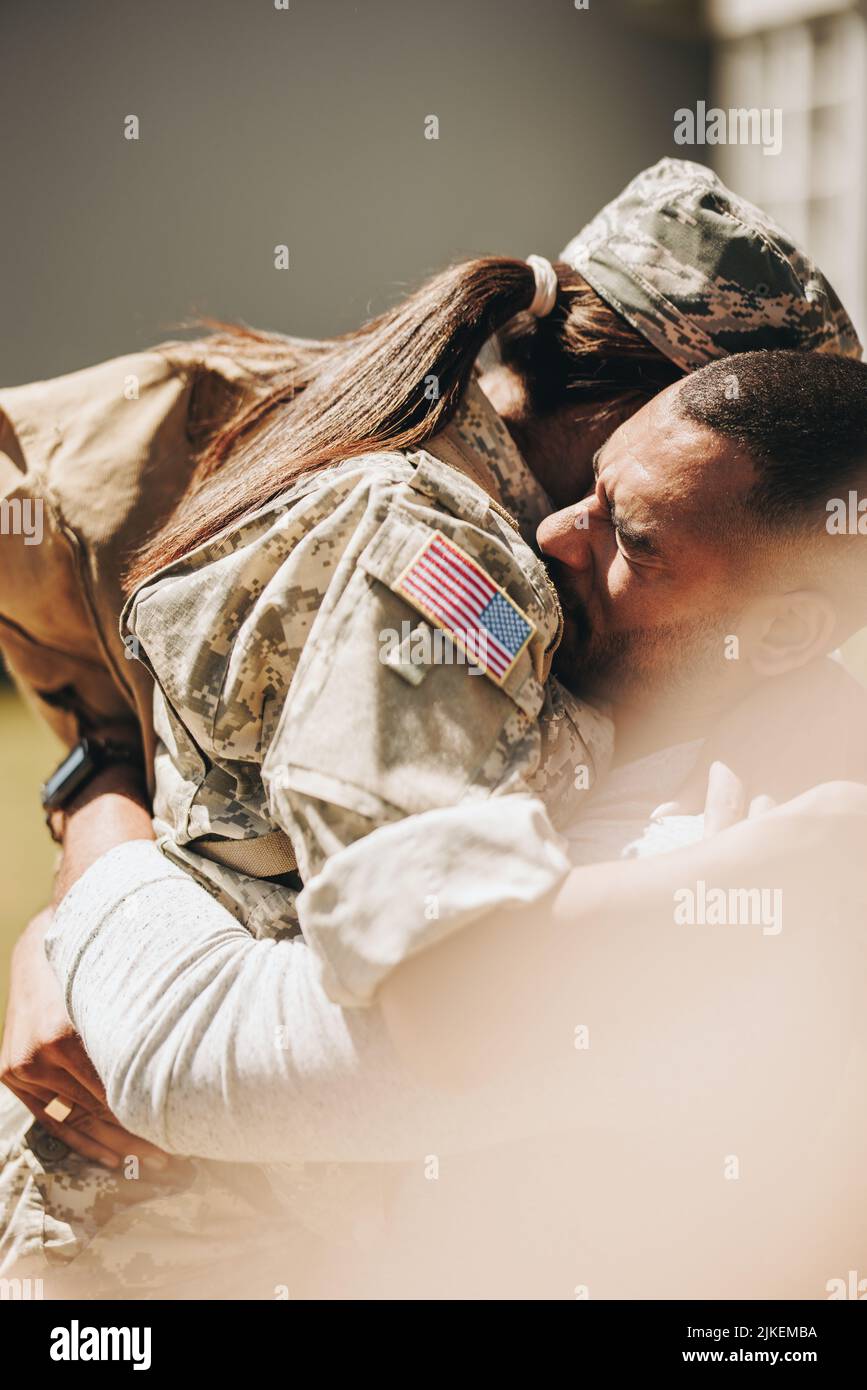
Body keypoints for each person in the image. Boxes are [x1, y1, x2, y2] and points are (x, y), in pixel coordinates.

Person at [0, 159, 863, 1295]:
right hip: (176, 1238)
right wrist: (774, 870)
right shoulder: (448, 553)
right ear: (649, 410)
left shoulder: (445, 493)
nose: (576, 537)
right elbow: (442, 974)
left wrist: (85, 870)